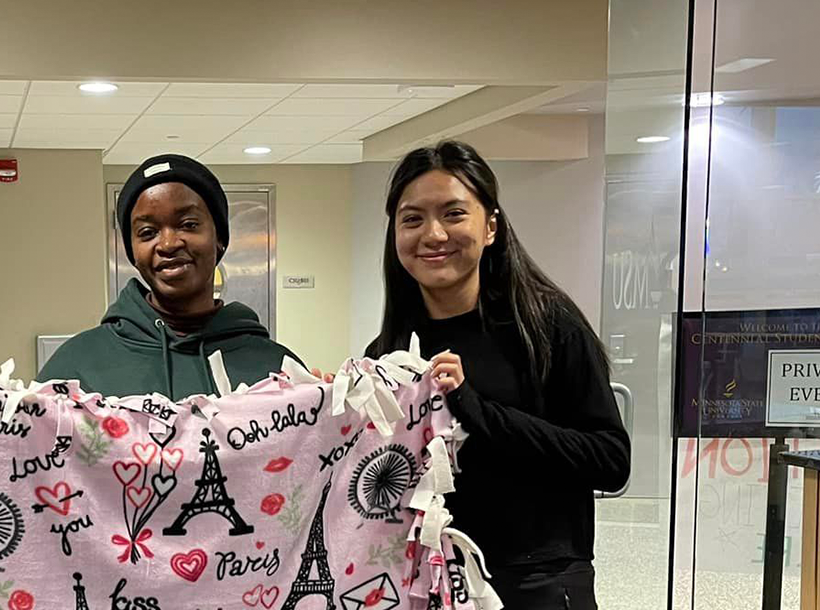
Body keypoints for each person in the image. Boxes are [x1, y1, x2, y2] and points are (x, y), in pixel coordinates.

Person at [364, 140, 629, 609]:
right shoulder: (390, 352)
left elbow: (609, 460)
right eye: (412, 219)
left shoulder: (546, 325)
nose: (433, 233)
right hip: (431, 584)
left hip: (537, 584)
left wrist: (474, 407)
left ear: (490, 227)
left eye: (453, 214)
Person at [37, 154, 299, 399]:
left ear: (219, 237)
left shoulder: (277, 368)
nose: (168, 244)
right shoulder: (76, 366)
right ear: (132, 253)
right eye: (148, 232)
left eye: (188, 225)